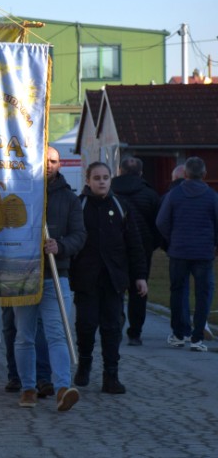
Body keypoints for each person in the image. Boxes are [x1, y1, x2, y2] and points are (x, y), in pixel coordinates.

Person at [14, 146, 86, 411]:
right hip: (23, 275)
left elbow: (80, 235)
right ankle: (28, 388)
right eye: (44, 160)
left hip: (56, 276)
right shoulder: (19, 190)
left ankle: (62, 389)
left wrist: (61, 246)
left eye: (54, 161)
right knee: (25, 335)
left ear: (60, 164)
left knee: (58, 334)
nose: (49, 165)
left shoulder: (69, 198)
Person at [71, 162, 147, 394]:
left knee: (112, 327)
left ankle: (111, 375)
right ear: (88, 181)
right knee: (86, 325)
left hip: (114, 278)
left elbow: (134, 244)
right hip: (86, 278)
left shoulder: (121, 205)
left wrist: (140, 276)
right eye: (97, 178)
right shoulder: (79, 205)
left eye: (105, 177)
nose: (102, 181)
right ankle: (84, 364)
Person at [156, 156, 218, 353]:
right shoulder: (212, 196)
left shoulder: (174, 195)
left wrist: (172, 239)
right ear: (205, 174)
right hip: (203, 252)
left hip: (179, 251)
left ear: (185, 174)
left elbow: (161, 221)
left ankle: (178, 333)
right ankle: (197, 336)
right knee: (203, 294)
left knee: (178, 291)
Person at [111, 156, 161, 346]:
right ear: (141, 172)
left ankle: (116, 323)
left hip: (114, 248)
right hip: (142, 249)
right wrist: (152, 244)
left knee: (114, 289)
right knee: (139, 290)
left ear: (120, 170)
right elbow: (158, 224)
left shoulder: (111, 190)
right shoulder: (150, 194)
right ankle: (135, 332)